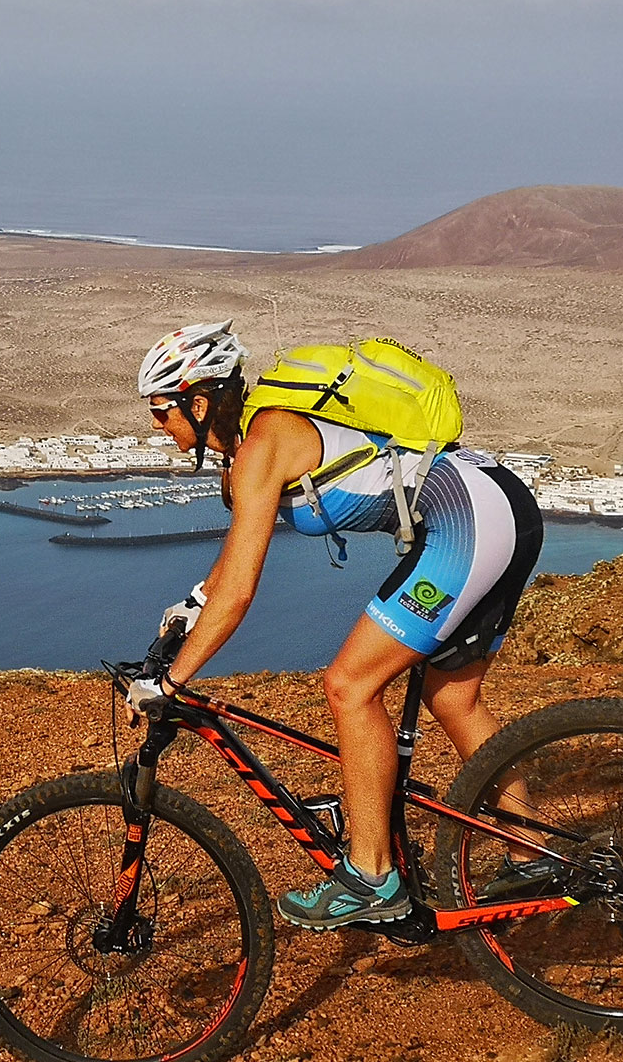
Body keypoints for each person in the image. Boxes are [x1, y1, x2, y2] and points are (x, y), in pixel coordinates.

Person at [129, 321, 545, 930]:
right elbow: (231, 562)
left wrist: (173, 680)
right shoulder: (261, 437)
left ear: (198, 400)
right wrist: (192, 603)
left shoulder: (263, 442)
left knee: (350, 686)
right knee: (452, 697)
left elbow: (241, 590)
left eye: (162, 412)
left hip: (469, 523)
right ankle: (531, 856)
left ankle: (372, 877)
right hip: (498, 506)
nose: (158, 429)